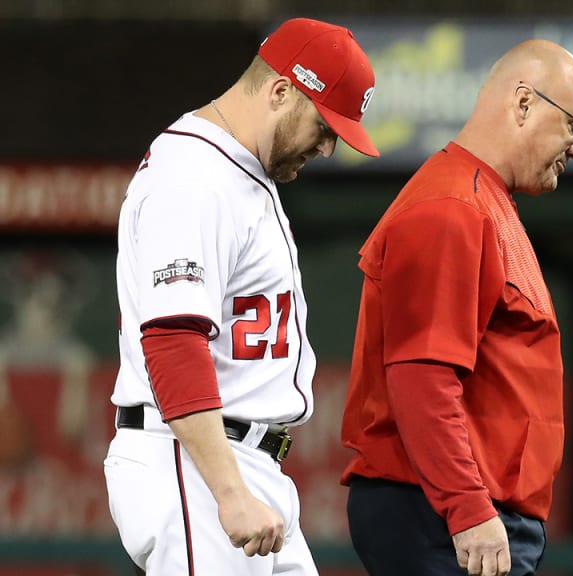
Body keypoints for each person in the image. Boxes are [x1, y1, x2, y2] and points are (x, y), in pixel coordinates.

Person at [104, 18, 379, 575]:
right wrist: (229, 492)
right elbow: (173, 341)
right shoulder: (193, 176)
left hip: (239, 464)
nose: (328, 147)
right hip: (196, 463)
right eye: (324, 125)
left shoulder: (234, 171)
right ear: (281, 91)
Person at [339, 39, 573, 576]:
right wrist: (467, 508)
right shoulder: (452, 206)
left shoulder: (483, 200)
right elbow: (422, 375)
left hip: (461, 512)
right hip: (441, 515)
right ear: (523, 102)